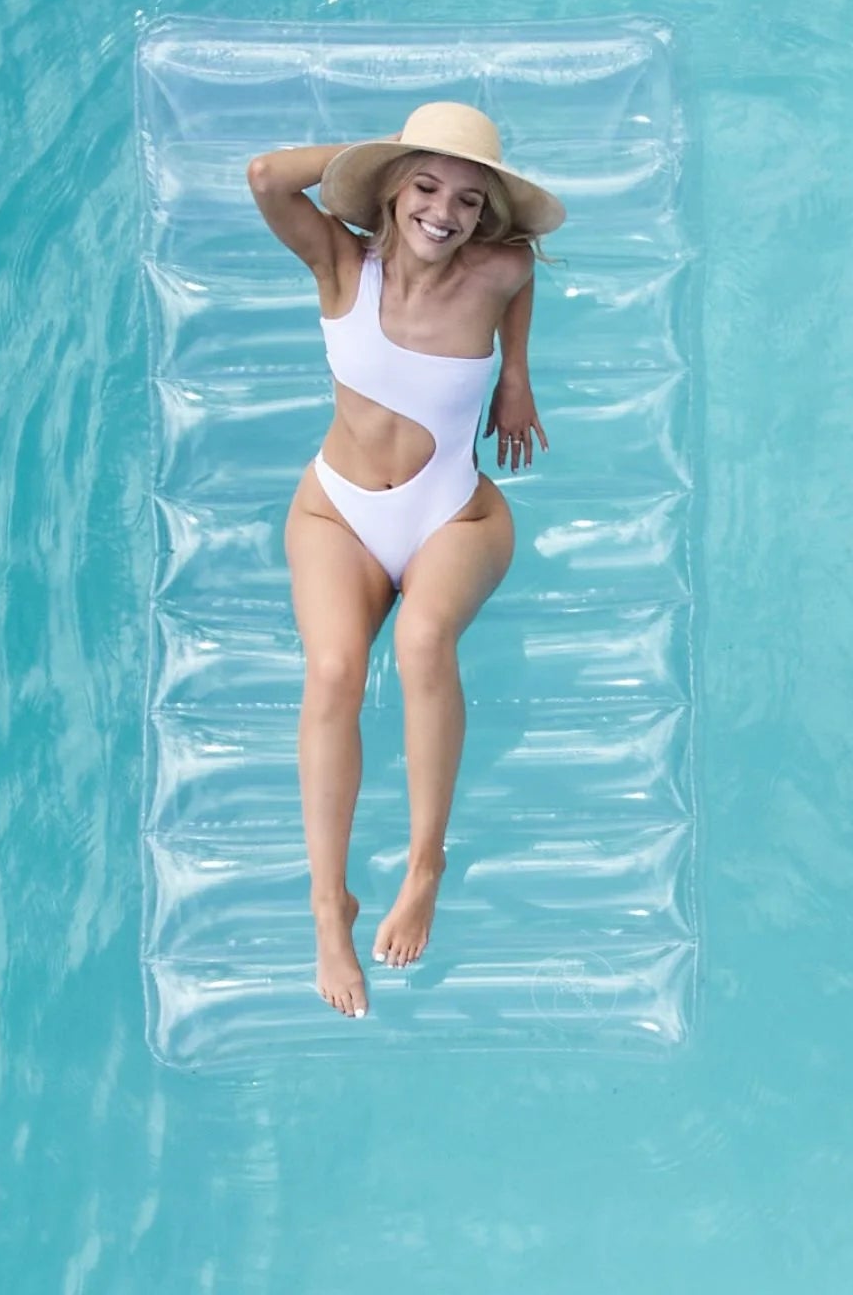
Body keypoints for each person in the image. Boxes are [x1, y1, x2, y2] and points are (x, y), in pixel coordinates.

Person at [245, 103, 565, 1019]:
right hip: (337, 513)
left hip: (451, 515)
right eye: (425, 187)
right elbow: (269, 175)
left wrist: (516, 374)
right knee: (335, 673)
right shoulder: (341, 262)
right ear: (391, 192)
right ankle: (327, 906)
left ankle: (426, 863)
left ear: (484, 214)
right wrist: (380, 155)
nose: (444, 211)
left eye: (468, 198)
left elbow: (524, 270)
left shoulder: (496, 266)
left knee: (421, 644)